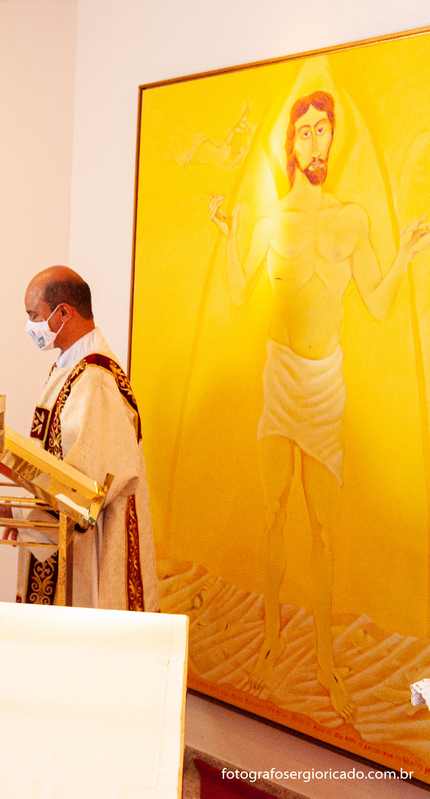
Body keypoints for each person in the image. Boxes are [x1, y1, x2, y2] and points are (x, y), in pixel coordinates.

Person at [209, 91, 430, 722]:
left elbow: (377, 303)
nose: (313, 141)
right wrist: (228, 236)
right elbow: (237, 289)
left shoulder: (352, 220)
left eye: (322, 130)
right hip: (279, 379)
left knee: (324, 529)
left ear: (334, 139)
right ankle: (271, 642)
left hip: (325, 384)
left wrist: (405, 256)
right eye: (303, 131)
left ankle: (325, 658)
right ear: (291, 144)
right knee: (273, 513)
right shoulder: (269, 222)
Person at [9, 266, 159, 612]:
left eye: (34, 316)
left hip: (93, 545)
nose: (31, 327)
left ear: (64, 313)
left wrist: (19, 510)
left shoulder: (95, 379)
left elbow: (85, 484)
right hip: (70, 540)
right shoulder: (71, 367)